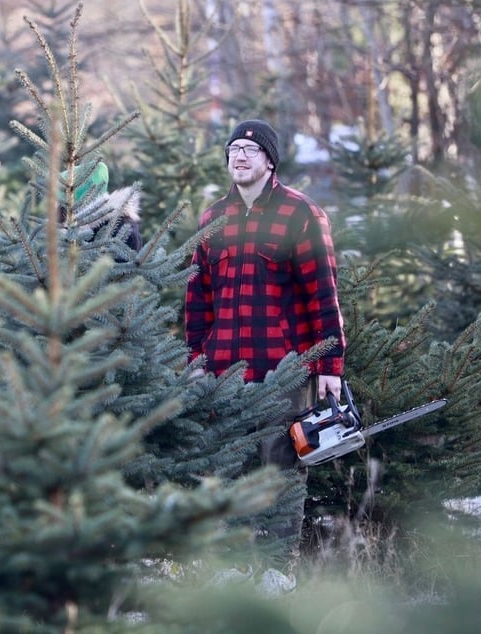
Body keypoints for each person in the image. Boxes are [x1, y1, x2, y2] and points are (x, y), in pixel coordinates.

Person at [183, 119, 346, 569]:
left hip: (283, 372)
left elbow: (323, 295)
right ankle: (229, 573)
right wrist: (196, 357)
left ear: (269, 161)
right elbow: (197, 297)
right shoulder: (213, 218)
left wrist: (330, 366)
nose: (239, 156)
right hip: (223, 375)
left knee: (280, 475)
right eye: (233, 148)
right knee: (223, 473)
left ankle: (278, 574)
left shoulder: (301, 214)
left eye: (249, 151)